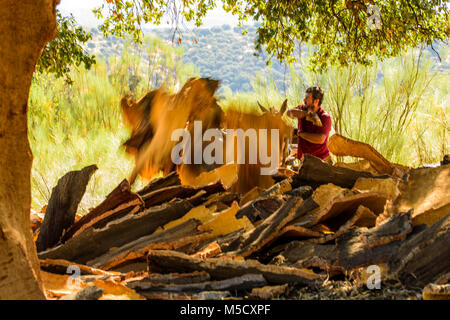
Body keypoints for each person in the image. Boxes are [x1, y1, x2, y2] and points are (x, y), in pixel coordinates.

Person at [286, 86, 332, 164]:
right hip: (304, 160)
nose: (304, 100)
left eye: (307, 98)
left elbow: (320, 139)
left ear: (316, 101)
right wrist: (307, 114)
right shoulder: (302, 108)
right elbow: (289, 113)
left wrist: (299, 133)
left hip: (320, 161)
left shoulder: (324, 117)